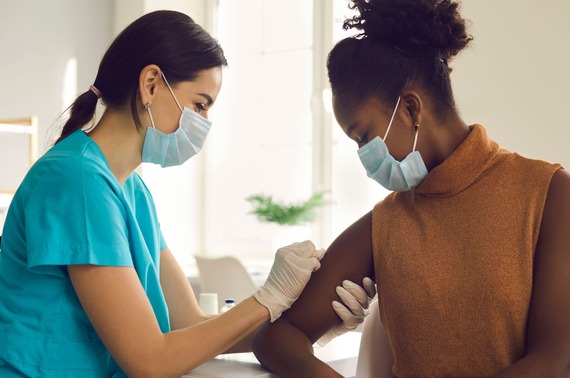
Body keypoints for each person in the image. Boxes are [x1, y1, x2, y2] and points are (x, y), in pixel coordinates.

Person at [0, 10, 375, 377]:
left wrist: (311, 327)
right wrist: (268, 299)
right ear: (150, 84)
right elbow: (151, 361)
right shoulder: (77, 181)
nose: (204, 123)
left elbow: (187, 325)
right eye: (199, 104)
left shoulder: (130, 189)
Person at [251, 0, 570, 377]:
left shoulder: (549, 195)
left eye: (364, 137)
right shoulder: (386, 223)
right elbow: (278, 336)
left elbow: (555, 360)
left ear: (411, 109)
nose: (364, 156)